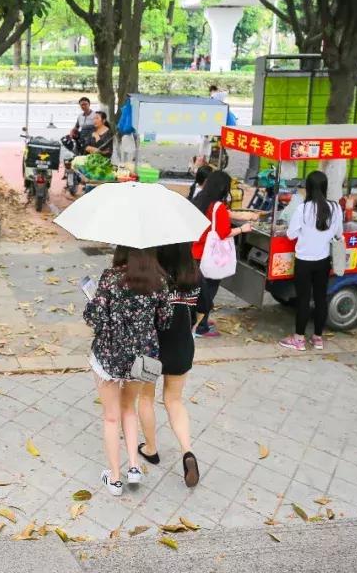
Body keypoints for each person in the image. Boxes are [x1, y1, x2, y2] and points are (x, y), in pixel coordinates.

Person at [83, 246, 172, 496]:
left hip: (110, 354)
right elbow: (165, 320)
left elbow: (95, 319)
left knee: (111, 417)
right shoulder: (160, 280)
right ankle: (134, 467)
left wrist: (93, 303)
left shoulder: (111, 278)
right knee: (129, 410)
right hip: (143, 358)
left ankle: (114, 479)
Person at [135, 243, 201, 487]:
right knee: (174, 400)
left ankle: (151, 448)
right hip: (182, 345)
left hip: (150, 348)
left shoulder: (148, 277)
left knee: (145, 399)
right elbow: (202, 311)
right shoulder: (193, 274)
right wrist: (190, 327)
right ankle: (187, 451)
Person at [281, 171, 343, 352]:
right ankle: (317, 339)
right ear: (325, 187)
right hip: (323, 261)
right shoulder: (336, 208)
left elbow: (290, 234)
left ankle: (299, 339)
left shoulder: (303, 208)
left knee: (303, 299)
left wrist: (304, 234)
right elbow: (338, 234)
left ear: (307, 187)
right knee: (320, 298)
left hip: (304, 262)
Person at [191, 171, 253, 337]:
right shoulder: (218, 207)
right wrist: (242, 228)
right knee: (208, 292)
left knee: (198, 291)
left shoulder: (200, 200)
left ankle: (198, 321)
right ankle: (201, 326)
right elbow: (223, 232)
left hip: (196, 252)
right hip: (209, 256)